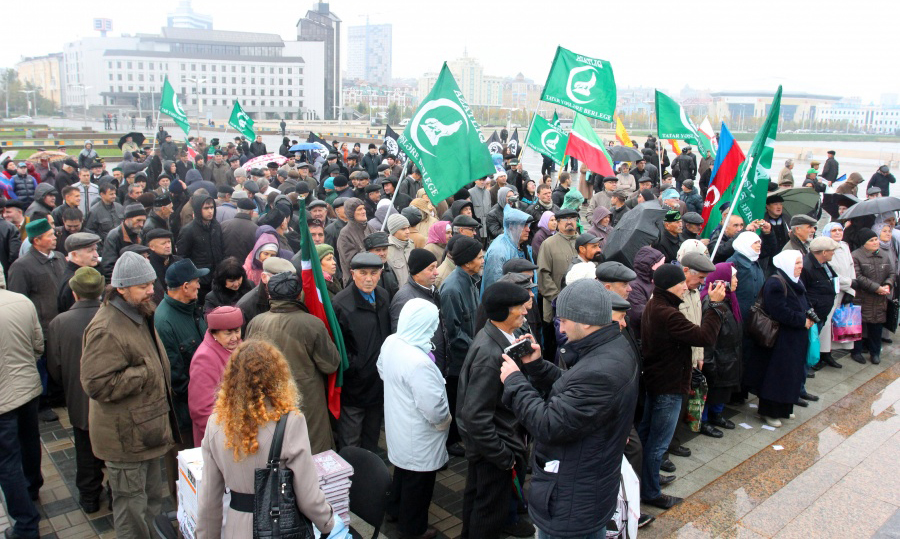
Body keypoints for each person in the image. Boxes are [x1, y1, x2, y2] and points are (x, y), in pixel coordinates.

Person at [500, 279, 639, 537]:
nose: (560, 327)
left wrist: (515, 381)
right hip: (586, 488)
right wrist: (538, 367)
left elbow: (547, 424)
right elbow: (575, 390)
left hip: (572, 503)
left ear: (585, 321)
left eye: (563, 320)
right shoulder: (612, 347)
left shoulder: (601, 371)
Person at [195, 340, 339, 539]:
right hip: (278, 527)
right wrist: (327, 522)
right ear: (276, 374)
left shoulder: (216, 423)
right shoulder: (290, 422)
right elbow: (308, 498)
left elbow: (209, 500)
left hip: (236, 529)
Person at [81, 252, 177, 538]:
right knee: (131, 509)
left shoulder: (138, 312)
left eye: (151, 283)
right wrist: (147, 372)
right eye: (143, 286)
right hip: (125, 439)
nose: (151, 290)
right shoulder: (106, 328)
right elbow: (96, 384)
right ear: (121, 288)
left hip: (142, 431)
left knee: (149, 501)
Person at [639, 264, 726, 508]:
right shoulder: (667, 313)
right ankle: (651, 493)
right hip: (667, 385)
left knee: (648, 437)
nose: (684, 286)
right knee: (658, 443)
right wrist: (716, 306)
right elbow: (704, 337)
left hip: (657, 381)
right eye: (680, 283)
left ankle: (648, 481)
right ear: (670, 285)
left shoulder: (656, 305)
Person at [457, 282, 534, 539]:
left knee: (478, 502)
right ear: (502, 312)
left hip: (492, 446)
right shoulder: (490, 354)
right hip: (493, 450)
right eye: (518, 307)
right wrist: (503, 456)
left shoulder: (497, 335)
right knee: (489, 513)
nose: (525, 310)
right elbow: (475, 416)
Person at [379, 298, 451, 539]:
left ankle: (394, 509)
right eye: (432, 324)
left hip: (398, 424)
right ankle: (413, 529)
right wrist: (445, 421)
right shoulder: (419, 362)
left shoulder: (392, 342)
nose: (434, 329)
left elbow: (382, 369)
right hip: (419, 434)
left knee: (402, 472)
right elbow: (433, 408)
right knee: (418, 484)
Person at [47, 267, 105, 513]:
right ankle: (115, 495)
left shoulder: (59, 323)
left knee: (84, 451)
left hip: (78, 399)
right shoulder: (113, 317)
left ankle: (90, 498)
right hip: (110, 402)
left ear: (74, 293)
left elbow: (54, 367)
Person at [155, 259, 208, 495]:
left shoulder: (191, 308)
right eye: (196, 281)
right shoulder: (164, 321)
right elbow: (175, 377)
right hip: (185, 415)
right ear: (185, 286)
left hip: (202, 405)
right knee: (187, 471)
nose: (200, 285)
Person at [332, 253, 392, 451]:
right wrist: (355, 367)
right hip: (355, 387)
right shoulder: (341, 304)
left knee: (371, 438)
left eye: (374, 273)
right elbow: (337, 347)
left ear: (380, 273)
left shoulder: (383, 295)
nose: (368, 278)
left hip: (378, 382)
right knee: (351, 442)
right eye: (363, 273)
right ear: (352, 273)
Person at [749, 251, 815, 427]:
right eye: (797, 263)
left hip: (795, 338)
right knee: (777, 375)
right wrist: (802, 320)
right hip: (781, 339)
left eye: (801, 262)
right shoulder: (776, 283)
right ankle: (769, 411)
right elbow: (779, 311)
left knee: (790, 375)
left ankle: (785, 408)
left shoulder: (795, 281)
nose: (801, 266)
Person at [0, 283, 45, 538]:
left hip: (3, 400)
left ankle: (26, 524)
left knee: (7, 461)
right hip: (27, 387)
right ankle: (32, 486)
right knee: (29, 441)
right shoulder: (22, 301)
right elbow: (38, 345)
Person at [439, 236, 485, 457]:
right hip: (458, 361)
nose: (484, 259)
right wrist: (477, 348)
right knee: (455, 399)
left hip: (470, 354)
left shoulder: (471, 279)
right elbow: (453, 332)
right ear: (467, 263)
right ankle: (451, 441)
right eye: (479, 257)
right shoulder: (452, 289)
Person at [186, 306, 243, 446]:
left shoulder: (240, 347)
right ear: (214, 334)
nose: (235, 337)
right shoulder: (205, 358)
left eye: (237, 331)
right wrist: (226, 439)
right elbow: (202, 410)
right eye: (228, 333)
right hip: (220, 440)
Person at [698, 263, 743, 434]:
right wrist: (709, 361)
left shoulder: (730, 298)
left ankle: (717, 414)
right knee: (711, 390)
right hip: (716, 357)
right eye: (733, 277)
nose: (736, 280)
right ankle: (704, 420)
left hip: (728, 355)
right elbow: (708, 335)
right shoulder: (710, 302)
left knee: (722, 391)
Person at [850, 229, 894, 365]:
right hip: (862, 297)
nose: (876, 242)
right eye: (872, 240)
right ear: (864, 243)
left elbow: (891, 273)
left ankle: (875, 353)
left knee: (877, 326)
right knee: (859, 325)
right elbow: (858, 276)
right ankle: (856, 352)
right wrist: (876, 288)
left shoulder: (884, 255)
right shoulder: (856, 256)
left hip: (880, 299)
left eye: (876, 239)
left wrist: (887, 285)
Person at [819, 222, 857, 363]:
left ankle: (831, 352)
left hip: (845, 289)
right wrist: (849, 284)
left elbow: (851, 267)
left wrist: (850, 290)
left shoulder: (845, 246)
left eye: (840, 230)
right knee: (827, 321)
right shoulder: (825, 248)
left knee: (840, 320)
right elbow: (831, 272)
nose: (837, 233)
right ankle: (823, 352)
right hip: (832, 289)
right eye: (833, 230)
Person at [802, 237, 840, 373]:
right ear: (824, 252)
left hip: (821, 313)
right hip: (813, 316)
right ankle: (804, 373)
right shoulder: (807, 267)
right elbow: (803, 293)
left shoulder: (823, 264)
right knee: (808, 346)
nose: (833, 253)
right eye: (832, 251)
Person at [482, 207, 532, 293]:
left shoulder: (522, 245)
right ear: (511, 227)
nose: (528, 229)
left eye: (528, 225)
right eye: (524, 225)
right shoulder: (498, 251)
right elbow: (495, 287)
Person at [626, 246, 665, 340]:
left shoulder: (653, 280)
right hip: (641, 336)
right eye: (659, 266)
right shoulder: (634, 286)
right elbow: (639, 314)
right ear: (649, 267)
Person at [57, 232, 101, 314]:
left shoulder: (81, 274)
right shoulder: (73, 281)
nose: (96, 255)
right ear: (75, 255)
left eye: (95, 249)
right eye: (90, 251)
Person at [100, 204, 146, 279]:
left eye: (143, 221)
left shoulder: (140, 233)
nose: (141, 224)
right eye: (138, 220)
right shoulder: (114, 236)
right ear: (127, 218)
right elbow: (108, 266)